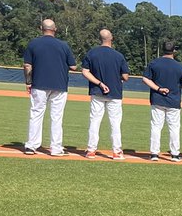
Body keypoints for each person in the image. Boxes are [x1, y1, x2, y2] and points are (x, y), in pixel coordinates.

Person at [22, 18, 77, 156]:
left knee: (36, 114)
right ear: (55, 29)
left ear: (41, 28)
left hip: (39, 84)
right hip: (59, 85)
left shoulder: (33, 43)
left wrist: (28, 82)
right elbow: (73, 66)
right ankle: (56, 148)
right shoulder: (63, 45)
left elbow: (27, 65)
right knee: (56, 117)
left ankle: (31, 146)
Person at [82, 28, 130, 159]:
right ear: (111, 38)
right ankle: (117, 151)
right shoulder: (119, 56)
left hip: (97, 92)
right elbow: (125, 76)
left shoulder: (92, 53)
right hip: (115, 93)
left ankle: (91, 150)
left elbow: (85, 72)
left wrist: (99, 83)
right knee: (115, 123)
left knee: (95, 121)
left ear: (100, 39)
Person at [142, 40, 182, 161]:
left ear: (163, 49)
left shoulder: (154, 63)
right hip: (173, 100)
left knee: (156, 127)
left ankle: (154, 154)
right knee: (174, 128)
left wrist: (158, 88)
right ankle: (175, 154)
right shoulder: (180, 66)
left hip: (157, 99)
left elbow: (145, 79)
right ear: (174, 51)